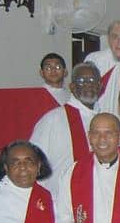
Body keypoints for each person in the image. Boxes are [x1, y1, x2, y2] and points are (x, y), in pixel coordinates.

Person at [31, 62, 101, 192]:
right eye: (81, 80)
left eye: (92, 80)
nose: (88, 84)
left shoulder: (106, 120)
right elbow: (33, 163)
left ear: (99, 86)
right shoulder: (52, 119)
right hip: (59, 201)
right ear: (72, 87)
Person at [0, 141, 56, 223]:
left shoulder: (47, 198)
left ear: (38, 166)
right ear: (6, 168)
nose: (22, 166)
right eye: (15, 162)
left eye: (29, 161)